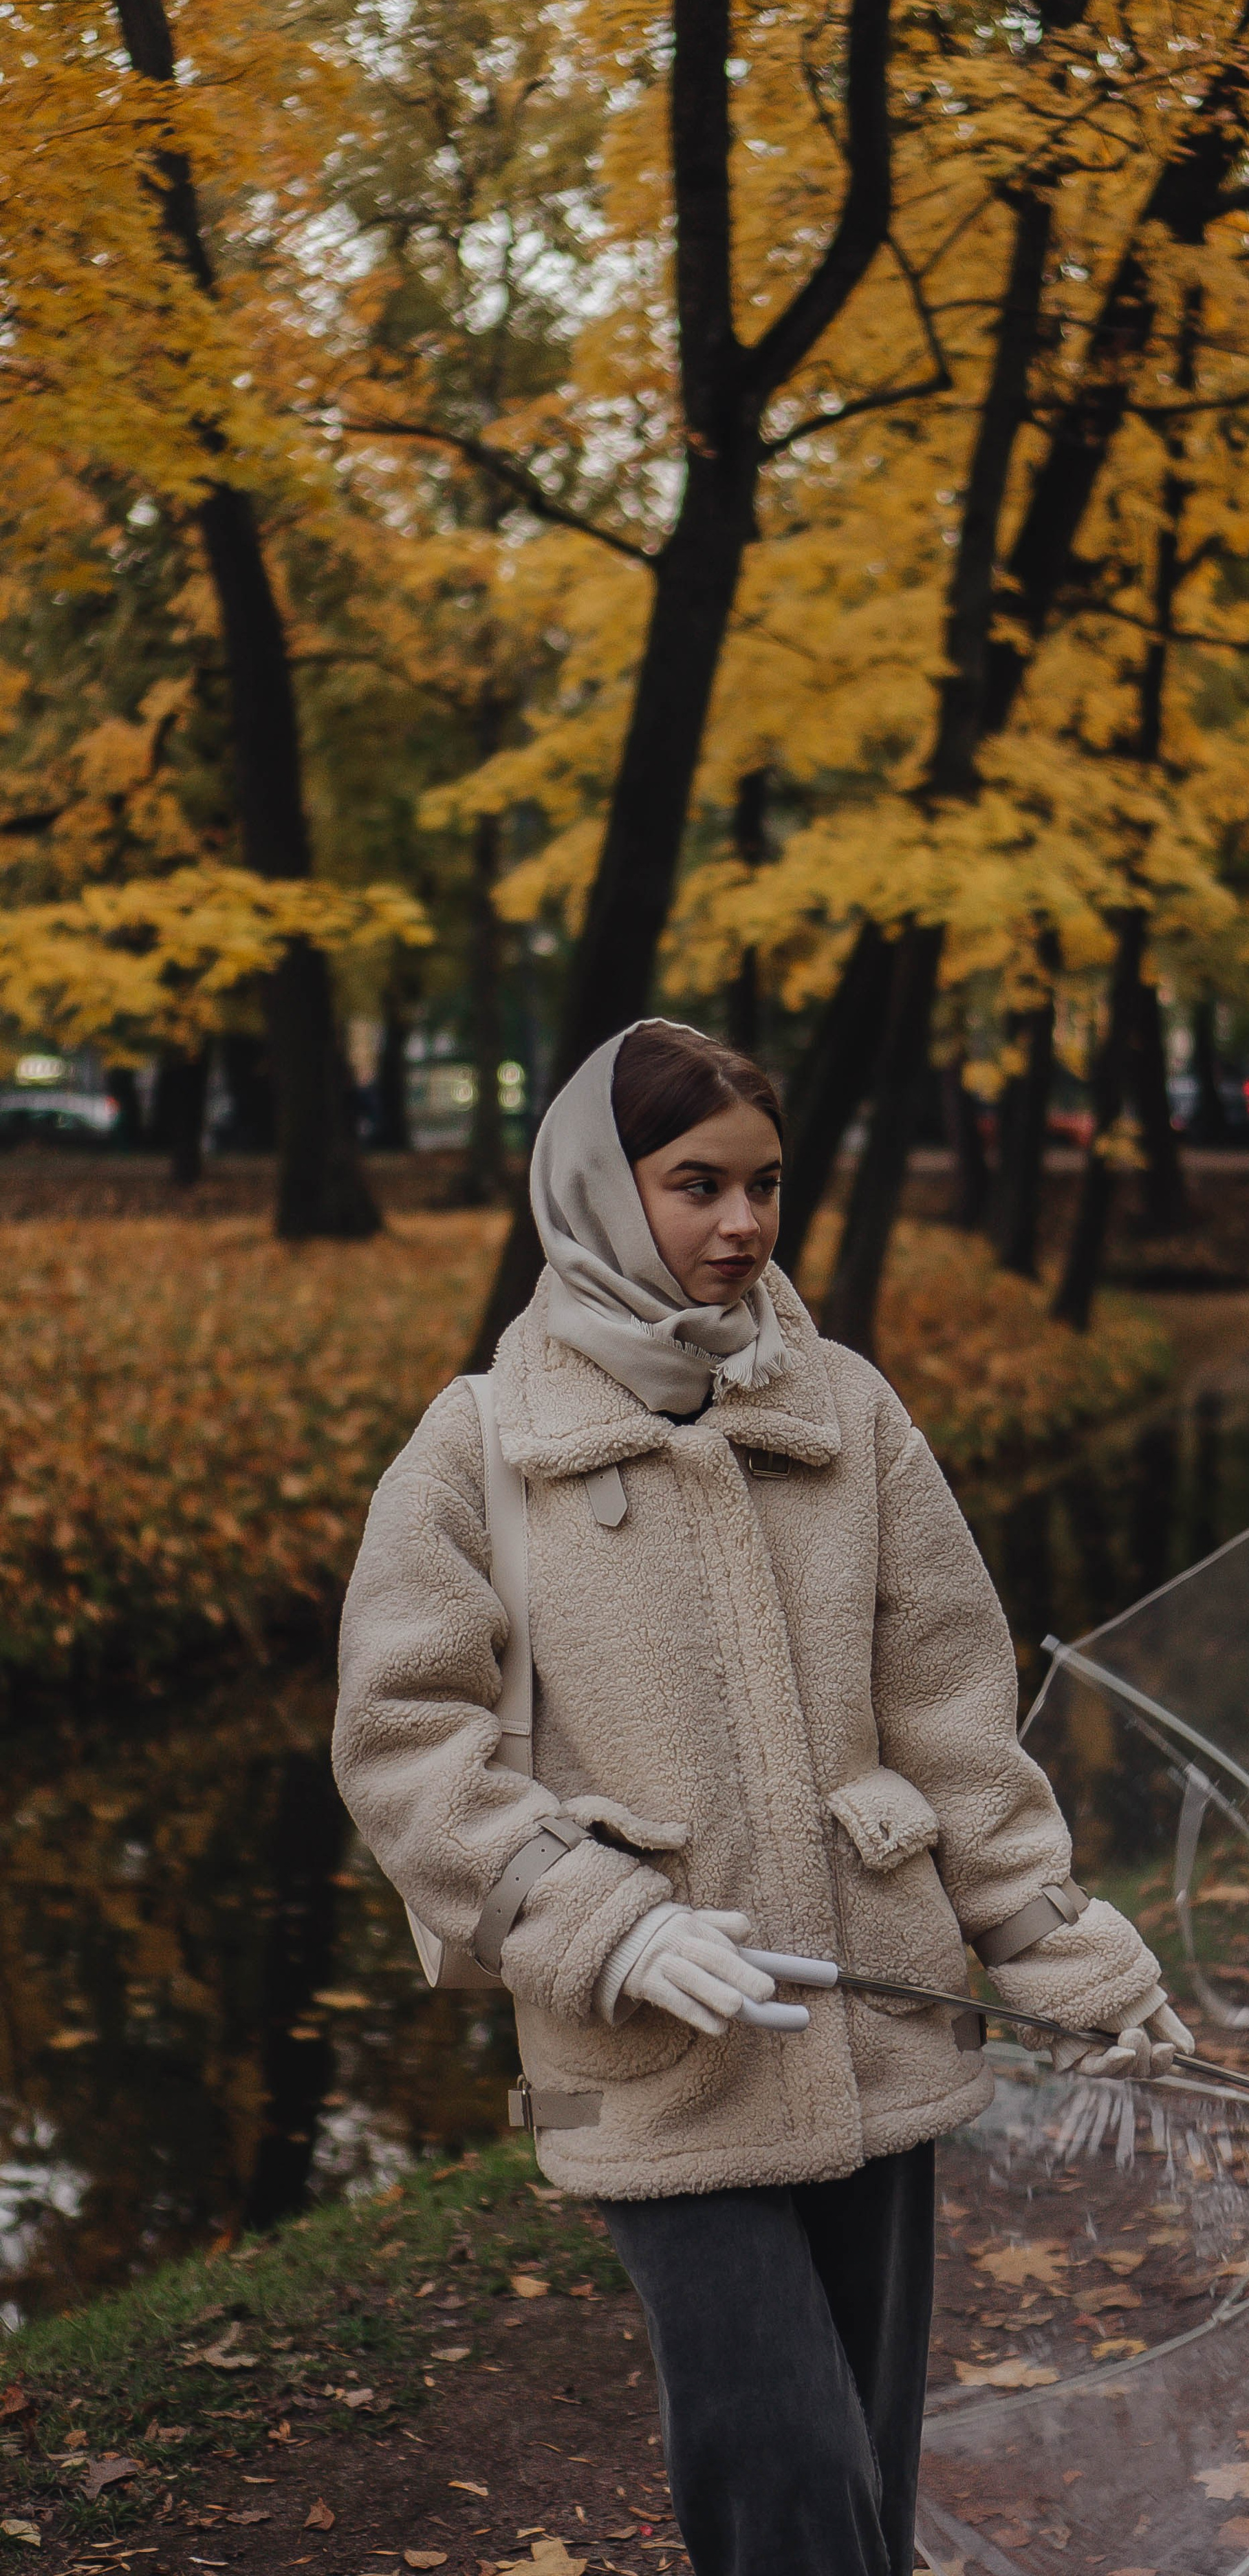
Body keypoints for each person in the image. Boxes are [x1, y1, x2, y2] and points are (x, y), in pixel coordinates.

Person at [334, 1019, 1192, 2576]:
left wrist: (1059, 1949)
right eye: (693, 1184)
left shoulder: (846, 1413)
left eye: (765, 1185)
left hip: (879, 2023)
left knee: (861, 2448)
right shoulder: (478, 1447)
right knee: (778, 2462)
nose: (739, 1225)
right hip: (652, 2048)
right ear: (598, 1189)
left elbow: (948, 1710)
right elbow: (402, 1741)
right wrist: (590, 1918)